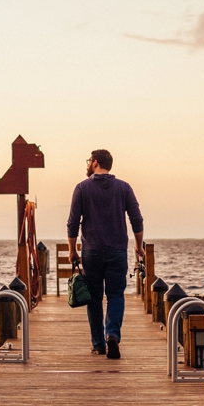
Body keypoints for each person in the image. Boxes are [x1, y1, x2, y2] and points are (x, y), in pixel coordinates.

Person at [67, 149, 144, 359]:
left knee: (93, 298)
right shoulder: (124, 188)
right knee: (115, 295)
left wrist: (72, 250)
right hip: (117, 250)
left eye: (89, 160)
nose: (88, 163)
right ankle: (112, 334)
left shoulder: (82, 188)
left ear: (95, 163)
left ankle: (99, 344)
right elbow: (137, 219)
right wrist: (139, 245)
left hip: (91, 251)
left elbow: (73, 223)